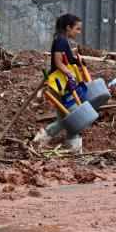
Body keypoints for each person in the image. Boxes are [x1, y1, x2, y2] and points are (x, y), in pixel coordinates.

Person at [33, 13, 85, 152]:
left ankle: (75, 151)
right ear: (68, 27)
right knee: (68, 119)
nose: (79, 32)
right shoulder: (61, 41)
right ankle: (35, 144)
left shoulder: (62, 40)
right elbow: (57, 62)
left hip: (62, 84)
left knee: (70, 119)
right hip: (58, 85)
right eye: (77, 29)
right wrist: (69, 73)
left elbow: (65, 60)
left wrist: (76, 61)